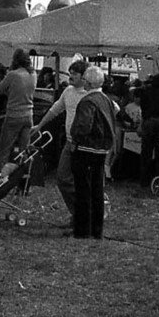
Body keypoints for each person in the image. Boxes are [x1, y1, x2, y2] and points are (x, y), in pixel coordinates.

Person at [35, 60, 88, 223]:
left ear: (84, 77)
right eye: (70, 72)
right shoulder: (68, 91)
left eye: (75, 74)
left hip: (85, 145)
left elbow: (113, 108)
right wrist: (40, 125)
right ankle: (79, 211)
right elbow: (55, 109)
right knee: (62, 178)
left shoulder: (90, 94)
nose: (70, 76)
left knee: (79, 179)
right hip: (70, 142)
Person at [69, 66, 117, 239]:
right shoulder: (106, 99)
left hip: (86, 148)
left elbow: (83, 126)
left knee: (83, 190)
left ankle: (82, 230)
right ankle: (97, 230)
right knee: (97, 189)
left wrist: (75, 137)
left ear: (87, 82)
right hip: (102, 149)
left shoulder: (88, 101)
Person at [0, 49, 37, 169]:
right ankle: (23, 178)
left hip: (14, 114)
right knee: (24, 150)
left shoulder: (13, 74)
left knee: (4, 149)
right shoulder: (33, 74)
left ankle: (0, 179)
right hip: (29, 114)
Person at [139, 74, 159, 189]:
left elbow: (143, 108)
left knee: (146, 152)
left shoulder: (146, 91)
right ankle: (158, 177)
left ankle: (144, 180)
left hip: (148, 122)